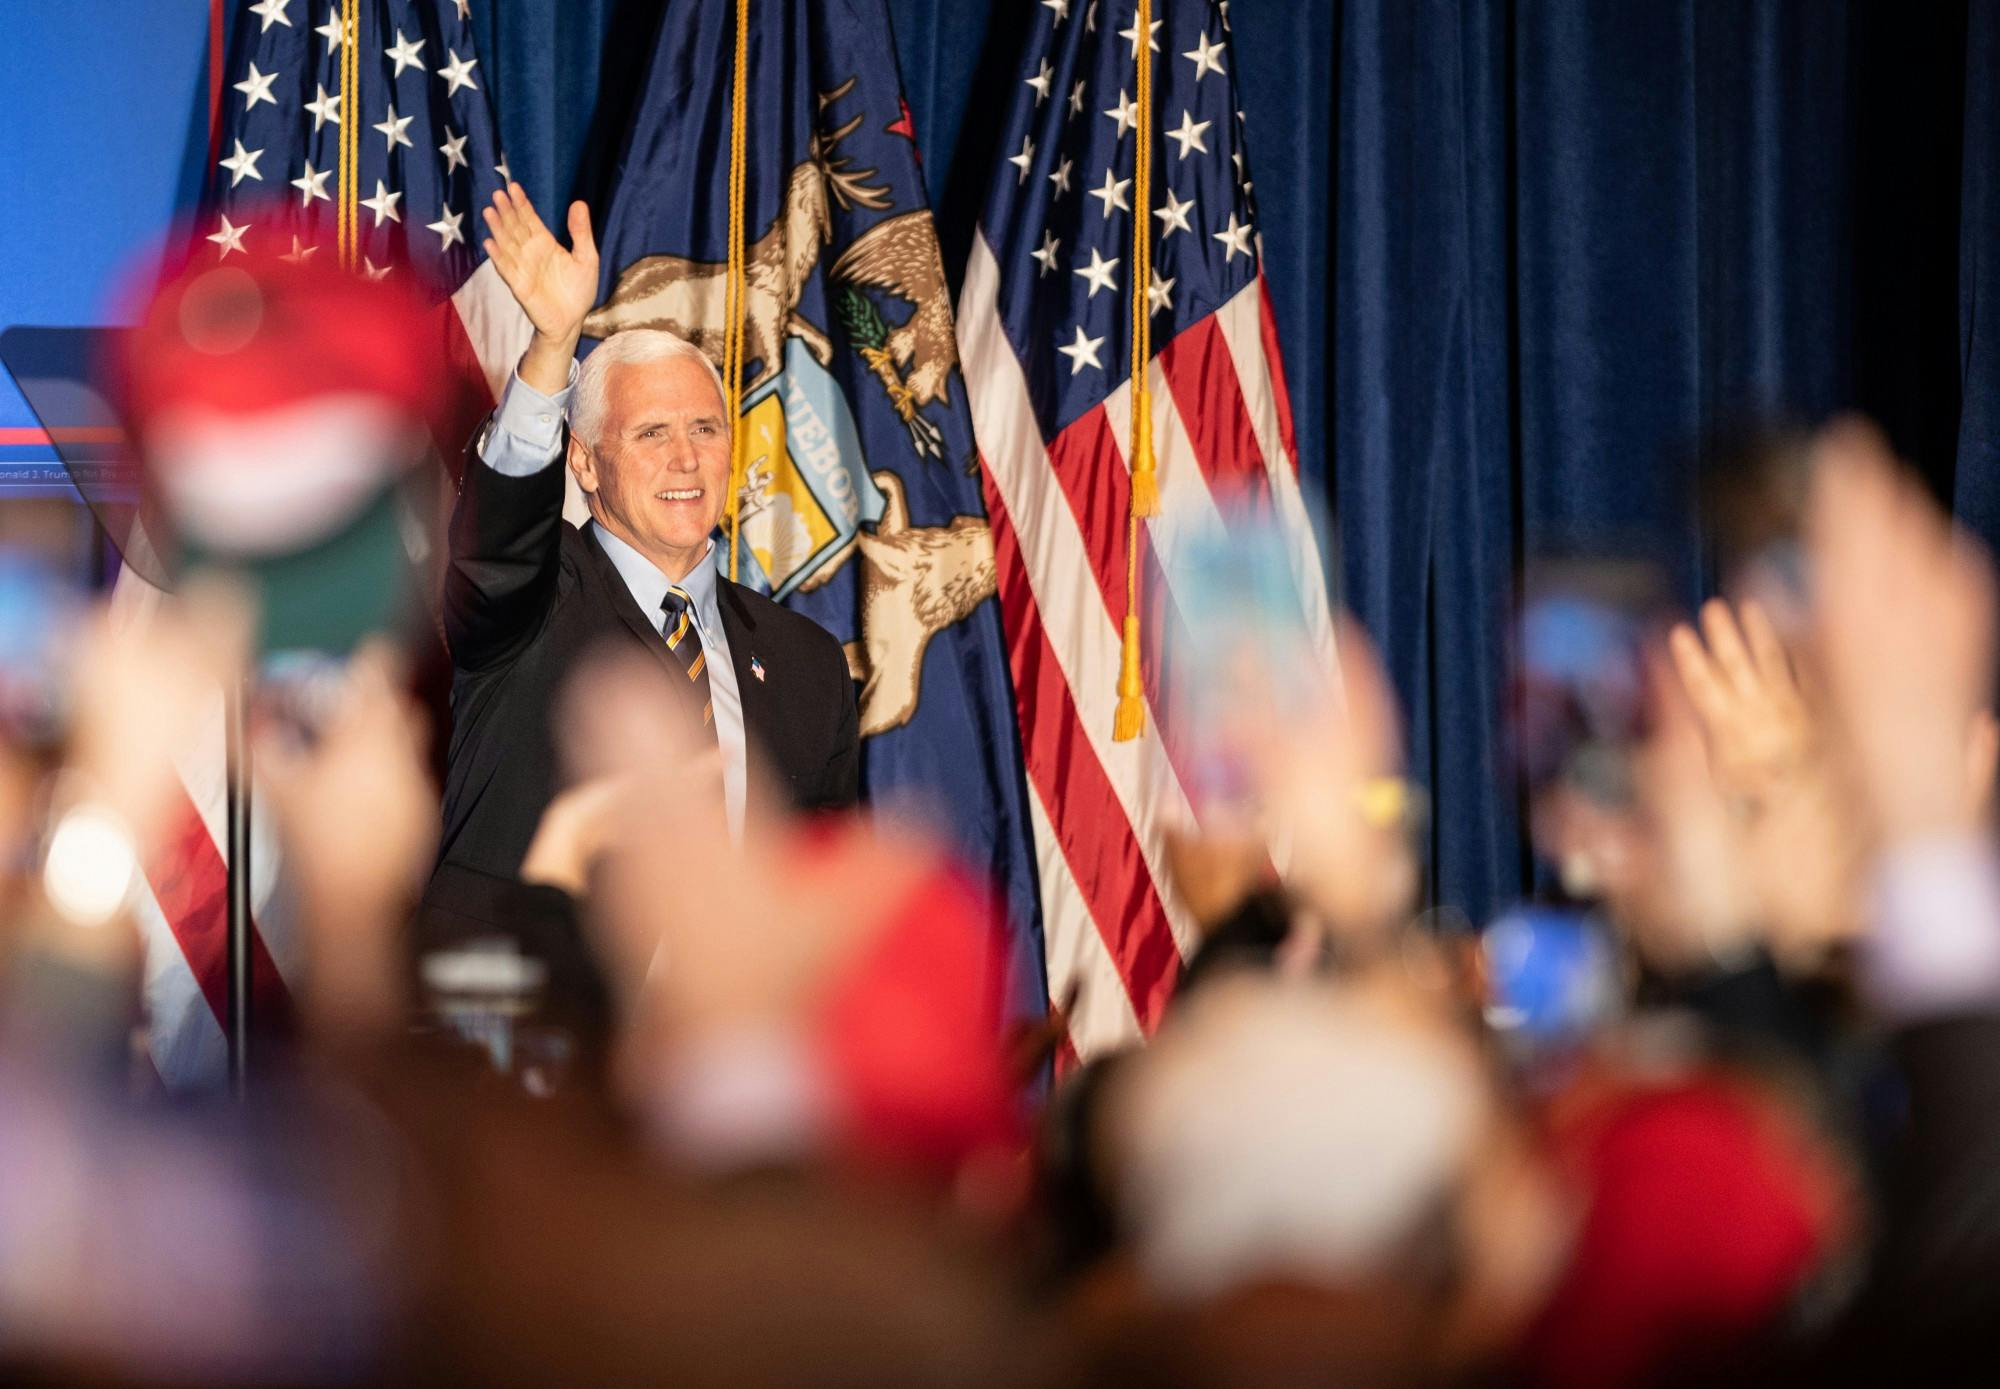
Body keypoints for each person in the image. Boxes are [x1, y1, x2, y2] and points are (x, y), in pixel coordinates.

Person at [422, 186, 859, 947]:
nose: (686, 457)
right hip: (525, 1041)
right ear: (585, 464)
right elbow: (497, 544)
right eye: (651, 432)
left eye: (704, 428)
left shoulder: (808, 666)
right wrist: (555, 343)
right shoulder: (530, 603)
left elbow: (828, 904)